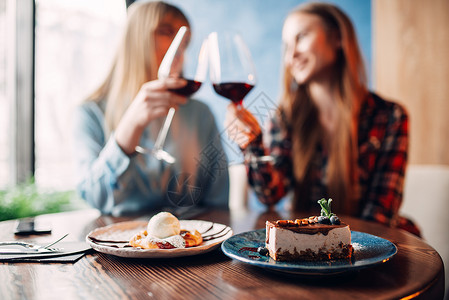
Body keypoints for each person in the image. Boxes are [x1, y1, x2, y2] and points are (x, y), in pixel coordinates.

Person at [225, 2, 420, 235]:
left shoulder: (391, 116)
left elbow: (380, 215)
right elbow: (269, 196)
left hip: (370, 244)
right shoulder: (284, 118)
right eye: (287, 45)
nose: (291, 55)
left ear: (338, 39)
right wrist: (252, 144)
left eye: (301, 37)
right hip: (309, 243)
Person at [72, 1, 229, 216]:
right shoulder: (90, 113)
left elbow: (218, 201)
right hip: (119, 244)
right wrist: (130, 126)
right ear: (135, 40)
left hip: (191, 242)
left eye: (185, 42)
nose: (180, 48)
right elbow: (95, 197)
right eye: (166, 32)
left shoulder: (200, 114)